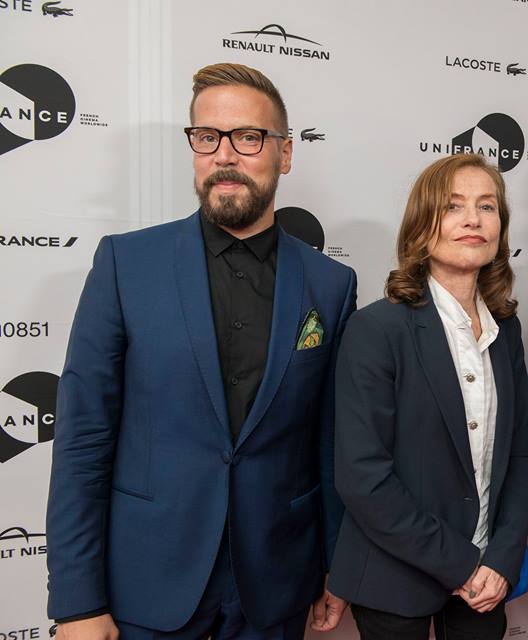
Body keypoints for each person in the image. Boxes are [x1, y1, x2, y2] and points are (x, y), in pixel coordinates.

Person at [46, 62, 356, 639]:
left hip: (278, 587)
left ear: (284, 154)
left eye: (248, 137)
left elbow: (329, 442)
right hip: (146, 585)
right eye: (207, 137)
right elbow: (83, 440)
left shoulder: (331, 286)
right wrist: (76, 602)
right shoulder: (125, 265)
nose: (225, 155)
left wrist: (337, 564)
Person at [328, 154, 528, 640]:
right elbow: (362, 477)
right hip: (394, 577)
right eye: (454, 206)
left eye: (487, 206)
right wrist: (462, 564)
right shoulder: (377, 328)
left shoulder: (506, 330)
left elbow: (521, 456)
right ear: (423, 223)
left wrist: (502, 559)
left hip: (487, 580)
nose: (472, 219)